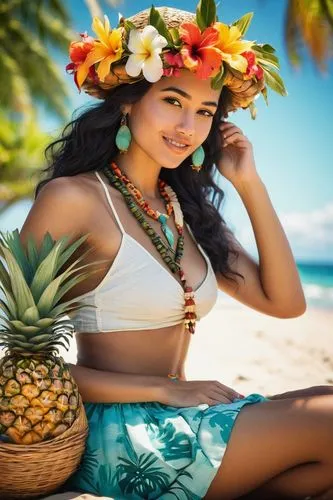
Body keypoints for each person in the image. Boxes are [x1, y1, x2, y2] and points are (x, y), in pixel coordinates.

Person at [20, 3, 333, 499]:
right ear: (128, 102)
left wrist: (249, 185)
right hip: (117, 436)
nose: (189, 125)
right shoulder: (74, 199)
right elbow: (24, 362)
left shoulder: (185, 211)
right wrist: (165, 389)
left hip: (187, 419)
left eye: (206, 111)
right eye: (172, 100)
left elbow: (287, 304)